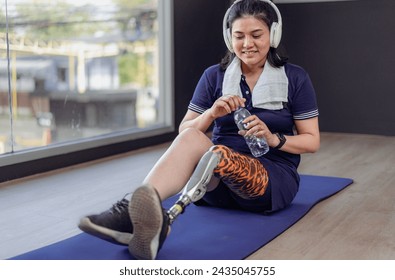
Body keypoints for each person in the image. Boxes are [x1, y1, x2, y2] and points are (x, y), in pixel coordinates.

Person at [78, 0, 320, 260]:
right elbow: (186, 132)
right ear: (229, 38)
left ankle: (154, 222)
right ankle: (132, 212)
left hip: (267, 183)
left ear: (273, 34)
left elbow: (311, 141)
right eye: (239, 36)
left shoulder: (294, 77)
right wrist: (211, 113)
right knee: (198, 139)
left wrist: (273, 138)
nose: (247, 43)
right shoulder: (214, 76)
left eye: (256, 35)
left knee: (219, 153)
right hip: (213, 185)